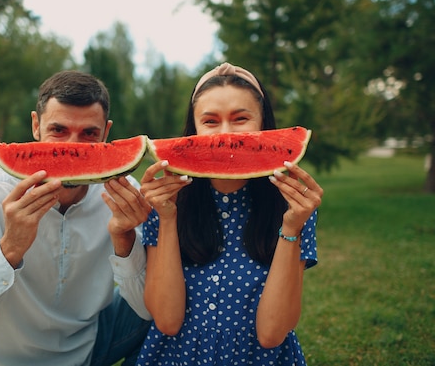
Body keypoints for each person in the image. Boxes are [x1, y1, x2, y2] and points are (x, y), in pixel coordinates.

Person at [0, 70, 153, 366]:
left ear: (106, 133)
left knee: (182, 292)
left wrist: (126, 241)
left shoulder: (125, 197)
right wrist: (9, 248)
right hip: (14, 359)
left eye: (89, 133)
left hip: (94, 344)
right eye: (58, 130)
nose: (72, 148)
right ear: (36, 125)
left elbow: (149, 310)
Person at [136, 63, 323, 365]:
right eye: (210, 121)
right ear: (193, 129)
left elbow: (272, 333)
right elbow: (167, 321)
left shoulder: (294, 205)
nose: (225, 134)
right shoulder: (164, 201)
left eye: (240, 119)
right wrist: (167, 218)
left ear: (263, 124)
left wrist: (291, 226)